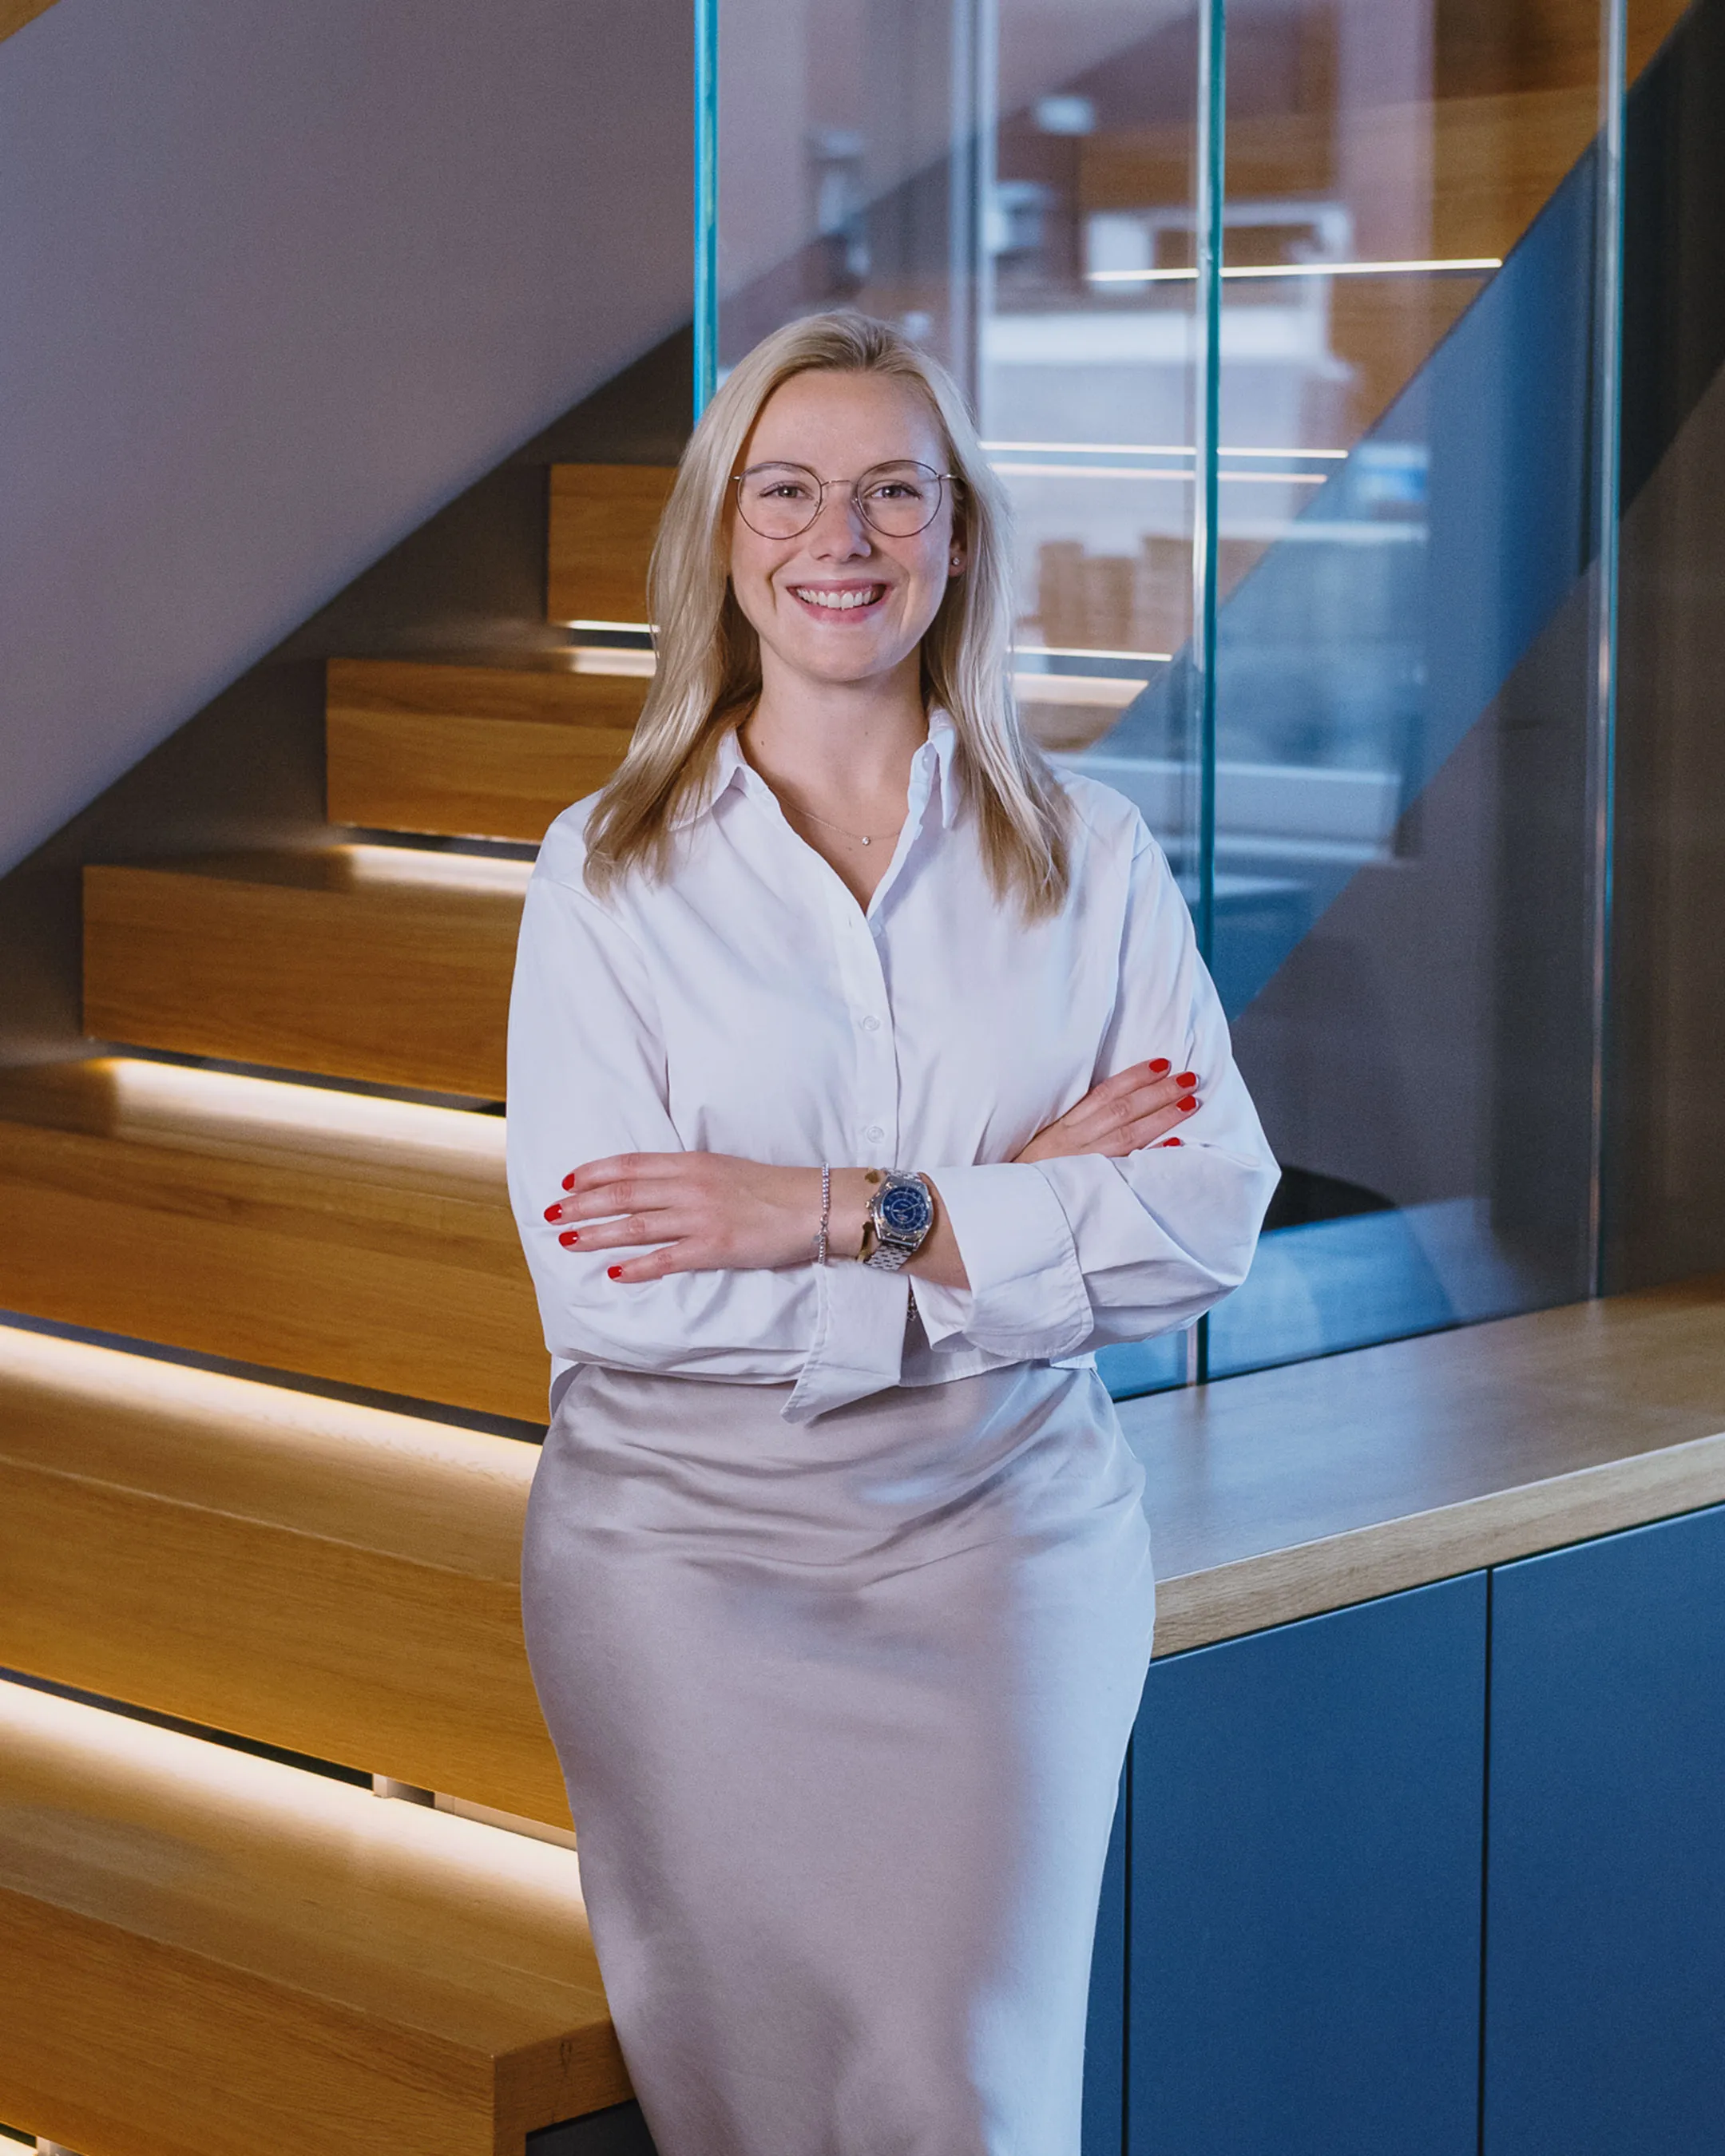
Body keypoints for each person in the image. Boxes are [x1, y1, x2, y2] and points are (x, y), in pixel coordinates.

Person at [506, 311, 1278, 2156]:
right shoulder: (604, 874)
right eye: (788, 490)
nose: (837, 539)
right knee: (756, 2113)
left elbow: (1202, 1220)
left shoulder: (1088, 855)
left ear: (955, 538)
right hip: (683, 1563)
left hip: (1006, 1550)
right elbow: (625, 1297)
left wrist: (821, 1212)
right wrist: (1006, 1210)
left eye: (890, 494)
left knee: (965, 2105)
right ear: (721, 534)